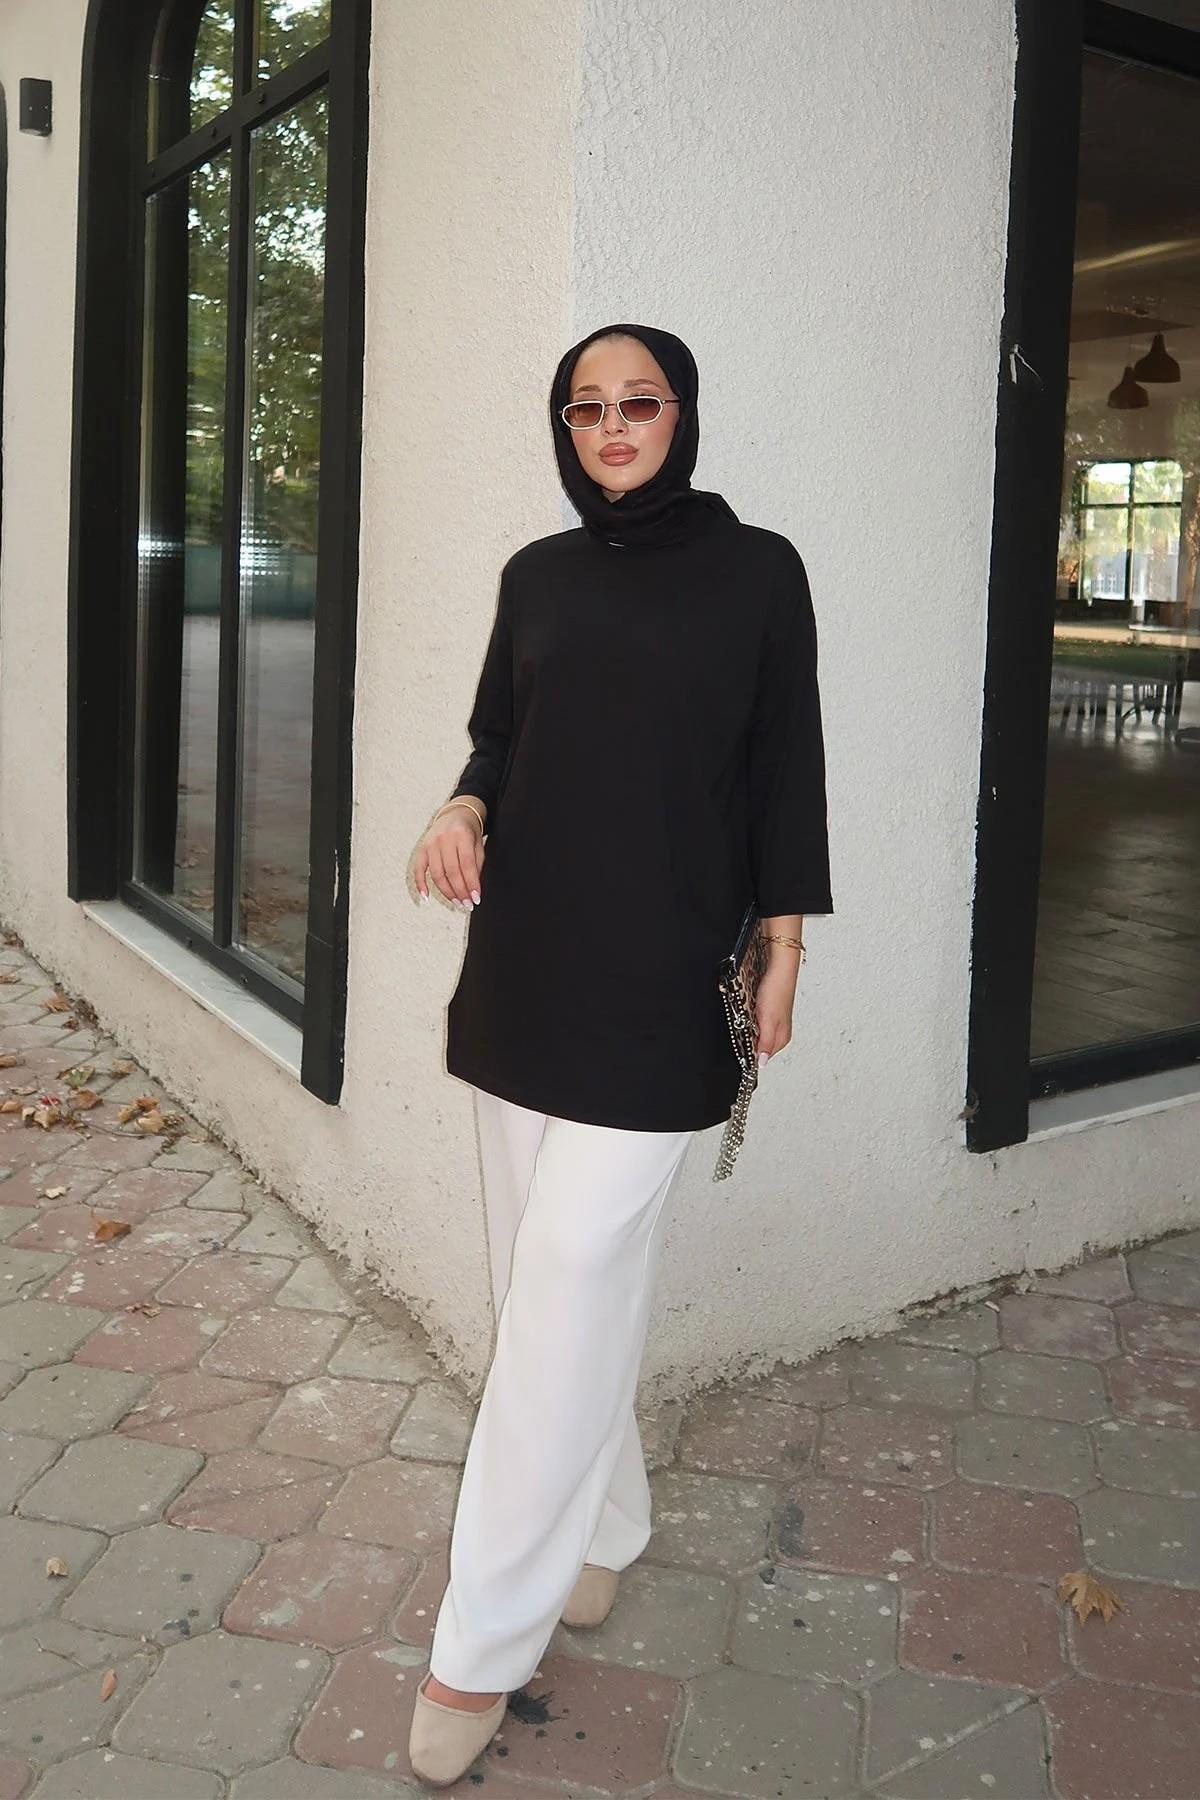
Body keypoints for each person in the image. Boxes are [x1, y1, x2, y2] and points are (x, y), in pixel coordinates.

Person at [406, 321, 833, 1787]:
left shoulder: (760, 571)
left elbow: (786, 769)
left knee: (570, 1276)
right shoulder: (538, 574)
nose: (612, 426)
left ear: (682, 414)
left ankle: (481, 1643)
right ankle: (607, 1522)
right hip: (525, 972)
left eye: (638, 402)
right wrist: (462, 808)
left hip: (665, 988)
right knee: (547, 1279)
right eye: (585, 407)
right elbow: (497, 738)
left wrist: (785, 948)